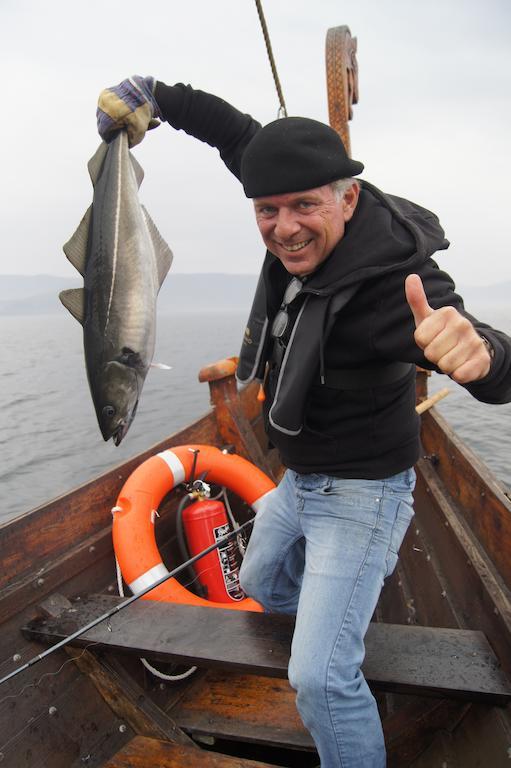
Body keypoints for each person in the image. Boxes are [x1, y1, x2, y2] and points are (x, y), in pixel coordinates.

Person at [97, 76, 511, 768]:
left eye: (304, 207)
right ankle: (335, 641)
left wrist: (480, 355)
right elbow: (233, 131)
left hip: (361, 495)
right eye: (267, 209)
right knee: (261, 583)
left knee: (315, 680)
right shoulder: (285, 188)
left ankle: (334, 681)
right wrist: (154, 97)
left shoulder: (396, 282)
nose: (284, 227)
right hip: (298, 480)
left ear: (347, 197)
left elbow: (487, 356)